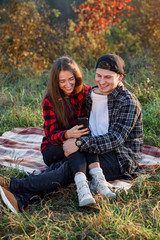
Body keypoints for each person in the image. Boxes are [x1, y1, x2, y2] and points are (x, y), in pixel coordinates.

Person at [0, 56, 116, 214]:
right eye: (63, 81)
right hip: (53, 149)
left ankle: (21, 197)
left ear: (76, 77)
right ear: (56, 82)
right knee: (78, 145)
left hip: (78, 147)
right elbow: (51, 134)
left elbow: (102, 90)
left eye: (71, 79)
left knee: (65, 169)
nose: (68, 85)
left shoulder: (86, 92)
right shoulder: (50, 100)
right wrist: (68, 134)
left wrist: (117, 86)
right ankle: (92, 183)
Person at [63, 53, 143, 186]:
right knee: (61, 162)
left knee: (66, 171)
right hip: (93, 149)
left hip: (120, 158)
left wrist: (79, 143)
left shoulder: (127, 102)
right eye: (99, 76)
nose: (102, 81)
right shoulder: (91, 95)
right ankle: (21, 191)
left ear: (120, 77)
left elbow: (115, 138)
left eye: (108, 77)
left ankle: (19, 189)